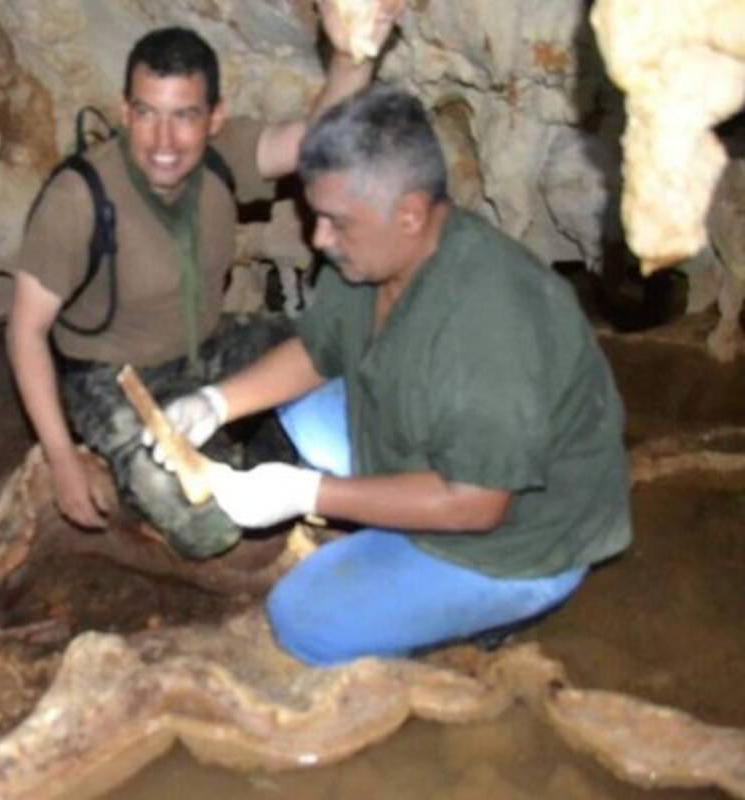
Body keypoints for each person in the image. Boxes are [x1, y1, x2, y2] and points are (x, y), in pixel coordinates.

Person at [160, 86, 633, 663]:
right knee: (288, 399)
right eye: (316, 217)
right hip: (444, 446)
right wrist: (216, 401)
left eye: (335, 222)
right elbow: (318, 350)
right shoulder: (371, 258)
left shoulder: (492, 325)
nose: (318, 239)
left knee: (303, 620)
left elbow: (477, 505)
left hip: (520, 533)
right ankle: (387, 526)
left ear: (409, 213)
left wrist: (307, 492)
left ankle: (502, 606)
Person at [6, 10, 386, 558]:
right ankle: (142, 473)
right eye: (146, 114)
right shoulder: (78, 199)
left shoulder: (220, 156)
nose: (163, 140)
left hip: (205, 345)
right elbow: (25, 331)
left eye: (184, 116)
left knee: (335, 356)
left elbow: (318, 143)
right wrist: (61, 457)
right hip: (115, 377)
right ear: (124, 111)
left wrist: (354, 57)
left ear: (214, 119)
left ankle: (266, 454)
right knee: (212, 528)